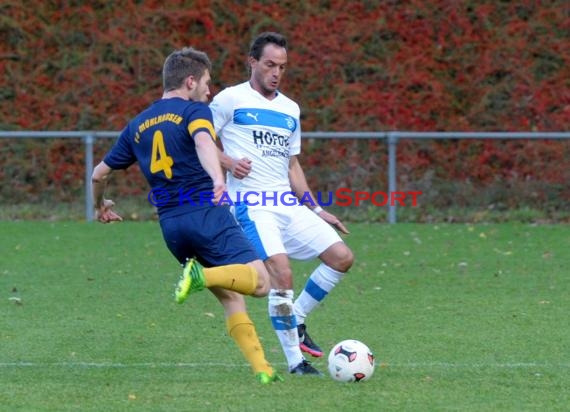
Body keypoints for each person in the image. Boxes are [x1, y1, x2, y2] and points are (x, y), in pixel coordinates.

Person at [91, 47, 282, 384]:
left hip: (172, 227)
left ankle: (262, 369)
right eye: (207, 82)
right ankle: (200, 277)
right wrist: (219, 178)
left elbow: (98, 174)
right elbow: (205, 143)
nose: (210, 90)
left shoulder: (137, 125)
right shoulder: (194, 111)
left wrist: (99, 205)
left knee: (231, 295)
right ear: (190, 81)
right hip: (207, 214)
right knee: (263, 283)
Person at [210, 32, 354, 376]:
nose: (277, 72)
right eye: (271, 65)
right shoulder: (229, 100)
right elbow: (199, 142)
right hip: (251, 205)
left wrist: (317, 209)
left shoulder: (291, 109)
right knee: (282, 274)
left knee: (342, 257)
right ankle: (295, 362)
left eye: (283, 67)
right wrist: (228, 162)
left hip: (286, 204)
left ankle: (298, 319)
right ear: (253, 62)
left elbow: (293, 165)